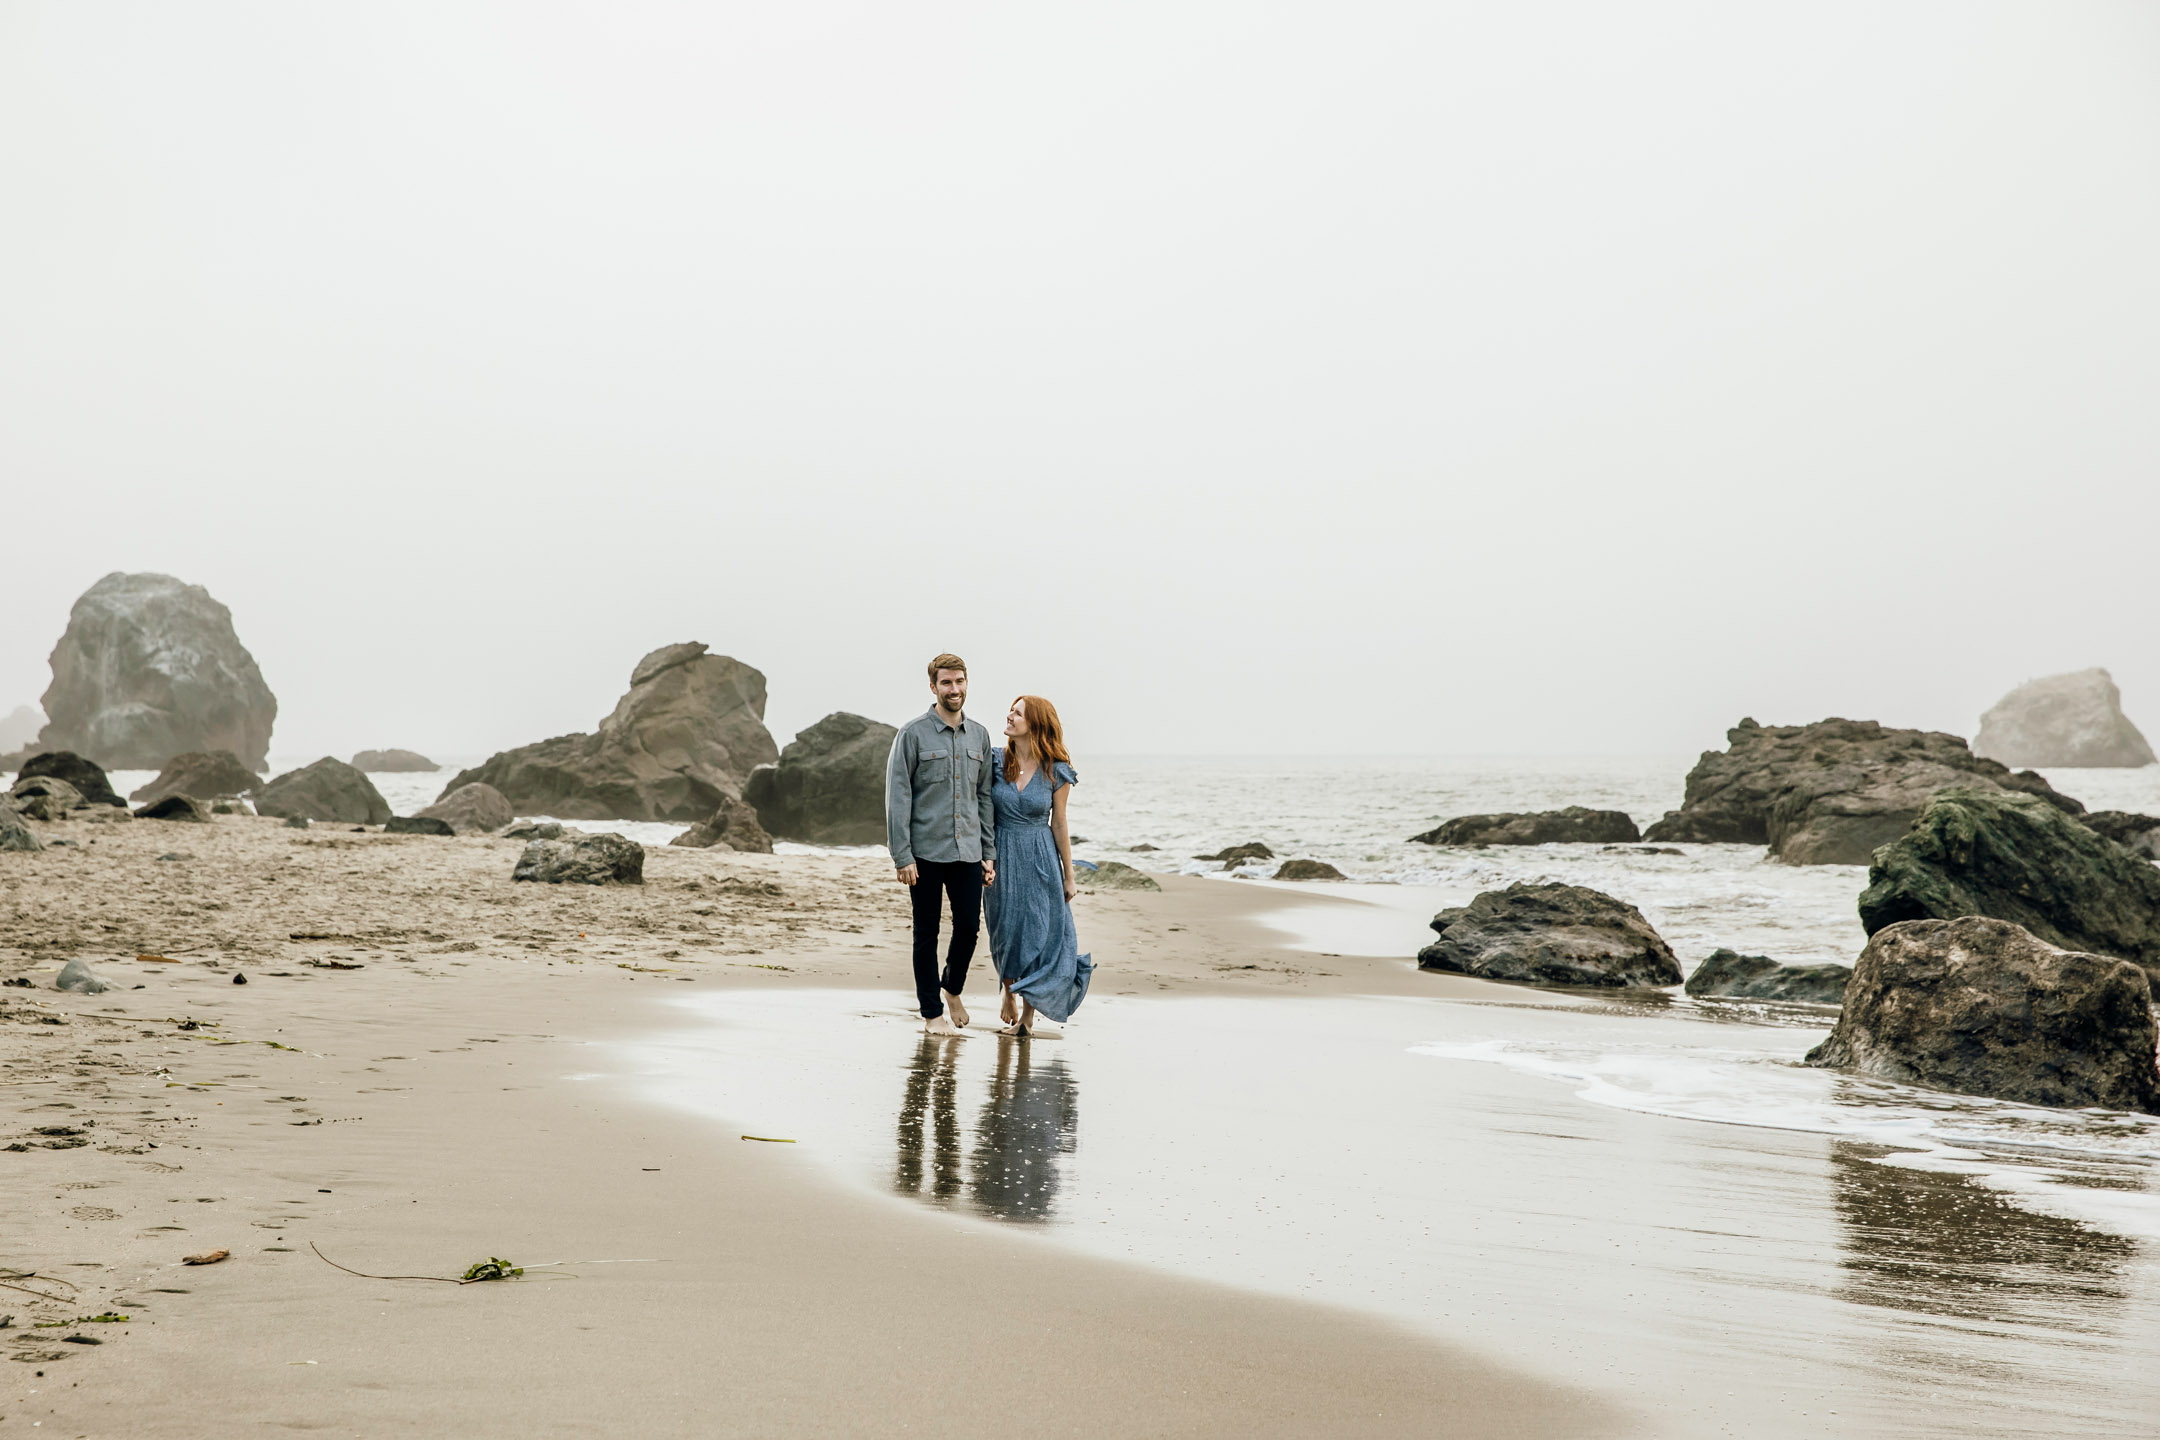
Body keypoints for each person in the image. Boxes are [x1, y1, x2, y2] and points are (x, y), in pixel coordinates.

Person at [887, 652, 997, 1035]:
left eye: (960, 681)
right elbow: (898, 796)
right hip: (924, 855)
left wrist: (988, 852)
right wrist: (902, 855)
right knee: (926, 933)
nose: (954, 689)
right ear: (933, 687)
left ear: (967, 683)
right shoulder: (912, 734)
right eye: (946, 683)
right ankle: (932, 1015)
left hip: (967, 851)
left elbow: (983, 797)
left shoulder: (980, 735)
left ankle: (951, 987)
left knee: (969, 928)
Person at [984, 695, 1093, 1037]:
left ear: (1035, 723)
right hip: (1002, 853)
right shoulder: (995, 761)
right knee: (1004, 930)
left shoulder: (1055, 769)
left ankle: (1028, 1015)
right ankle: (1008, 991)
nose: (1010, 716)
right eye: (1011, 711)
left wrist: (1069, 875)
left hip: (1040, 856)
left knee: (1039, 932)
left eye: (1017, 713)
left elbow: (1059, 823)